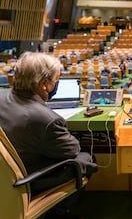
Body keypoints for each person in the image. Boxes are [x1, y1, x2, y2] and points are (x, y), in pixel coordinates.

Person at [0, 52, 97, 217]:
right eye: (56, 81)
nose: (56, 85)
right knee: (86, 159)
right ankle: (57, 212)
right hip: (27, 180)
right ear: (44, 84)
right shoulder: (47, 120)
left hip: (5, 176)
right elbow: (71, 151)